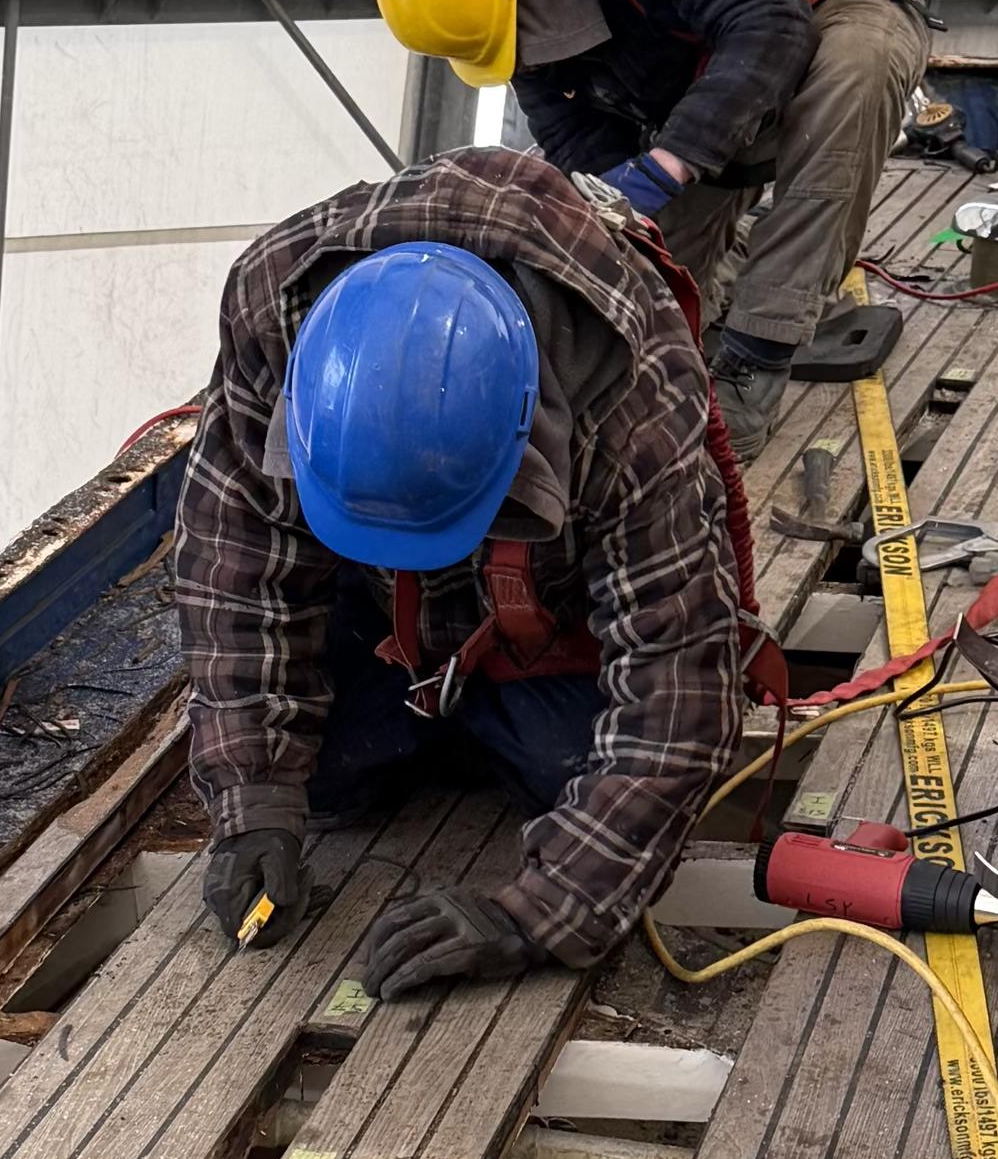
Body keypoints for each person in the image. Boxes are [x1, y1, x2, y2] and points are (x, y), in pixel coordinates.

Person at [176, 146, 747, 997]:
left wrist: (537, 915)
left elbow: (681, 694)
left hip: (549, 618)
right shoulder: (274, 315)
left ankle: (469, 719)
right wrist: (251, 795)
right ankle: (447, 720)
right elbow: (236, 572)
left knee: (573, 775)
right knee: (317, 779)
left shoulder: (633, 387)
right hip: (383, 614)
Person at [375, 0, 930, 457]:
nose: (525, 55)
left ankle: (757, 354)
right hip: (711, 72)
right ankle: (745, 259)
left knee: (855, 73)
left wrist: (667, 166)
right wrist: (614, 229)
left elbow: (773, 28)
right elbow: (582, 146)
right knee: (645, 286)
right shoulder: (514, 10)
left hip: (830, 6)